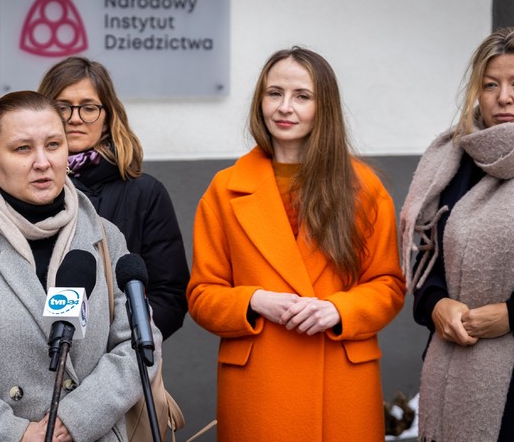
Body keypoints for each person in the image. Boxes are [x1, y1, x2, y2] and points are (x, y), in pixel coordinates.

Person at [0, 91, 160, 442]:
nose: (42, 162)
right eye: (22, 148)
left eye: (53, 145)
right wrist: (13, 433)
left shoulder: (104, 237)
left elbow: (139, 345)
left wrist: (75, 419)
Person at [186, 47, 406, 441]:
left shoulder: (363, 188)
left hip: (340, 384)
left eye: (302, 96)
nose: (285, 107)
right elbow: (202, 295)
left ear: (325, 107)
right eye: (275, 93)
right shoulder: (225, 189)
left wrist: (338, 309)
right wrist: (255, 300)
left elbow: (388, 285)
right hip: (260, 388)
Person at [400, 27, 514, 442]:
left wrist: (512, 315)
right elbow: (427, 260)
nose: (504, 97)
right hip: (452, 370)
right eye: (491, 84)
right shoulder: (452, 161)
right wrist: (436, 304)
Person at [38, 57, 189, 340]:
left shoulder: (145, 193)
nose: (75, 118)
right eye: (63, 107)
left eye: (89, 107)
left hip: (119, 357)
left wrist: (122, 350)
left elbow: (169, 295)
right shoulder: (26, 189)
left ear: (108, 116)